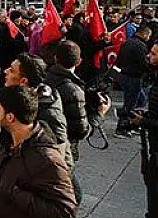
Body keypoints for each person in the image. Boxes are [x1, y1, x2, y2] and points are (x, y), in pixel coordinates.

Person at [0, 85, 77, 218]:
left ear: (10, 117)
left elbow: (65, 211)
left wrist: (15, 193)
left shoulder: (46, 158)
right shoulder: (8, 143)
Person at [46, 41, 110, 204]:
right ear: (79, 61)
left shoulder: (47, 79)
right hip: (63, 148)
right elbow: (81, 130)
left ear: (55, 58)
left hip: (46, 143)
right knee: (72, 196)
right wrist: (98, 114)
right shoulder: (72, 90)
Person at [132, 40, 158, 217]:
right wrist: (147, 113)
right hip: (155, 145)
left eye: (154, 54)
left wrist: (143, 122)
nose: (149, 56)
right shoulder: (157, 80)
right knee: (152, 185)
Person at [116, 26, 152, 138]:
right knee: (130, 103)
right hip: (134, 77)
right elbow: (144, 63)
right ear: (145, 34)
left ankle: (134, 123)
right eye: (148, 35)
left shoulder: (127, 42)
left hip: (124, 75)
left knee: (140, 100)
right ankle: (122, 127)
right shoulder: (141, 46)